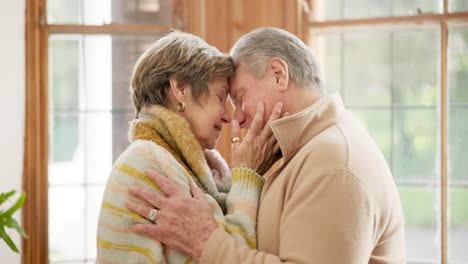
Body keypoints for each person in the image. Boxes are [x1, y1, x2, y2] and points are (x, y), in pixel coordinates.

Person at [126, 27, 406, 263]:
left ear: (277, 74)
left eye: (239, 97)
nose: (236, 117)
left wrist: (205, 241)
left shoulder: (335, 163)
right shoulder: (308, 154)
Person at [96, 30, 283, 263]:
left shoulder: (186, 166)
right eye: (219, 98)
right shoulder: (148, 162)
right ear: (180, 90)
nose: (228, 117)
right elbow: (223, 255)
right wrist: (247, 176)